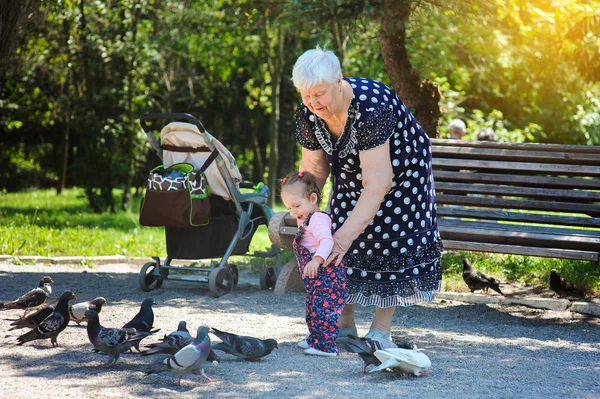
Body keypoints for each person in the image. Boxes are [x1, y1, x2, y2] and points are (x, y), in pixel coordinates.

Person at [291, 45, 443, 345]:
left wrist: (345, 237)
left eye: (319, 94)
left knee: (385, 241)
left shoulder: (370, 106)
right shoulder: (307, 113)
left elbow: (377, 182)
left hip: (401, 177)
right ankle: (343, 326)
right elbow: (312, 169)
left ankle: (380, 332)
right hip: (351, 175)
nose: (313, 102)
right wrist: (304, 211)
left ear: (338, 81)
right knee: (331, 236)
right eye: (305, 95)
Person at [280, 171, 347, 357]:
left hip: (329, 276)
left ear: (313, 198)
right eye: (289, 208)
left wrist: (317, 259)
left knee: (324, 311)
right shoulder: (305, 219)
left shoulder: (318, 219)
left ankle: (326, 346)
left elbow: (327, 241)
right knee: (312, 309)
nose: (293, 212)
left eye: (296, 206)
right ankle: (315, 338)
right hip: (317, 279)